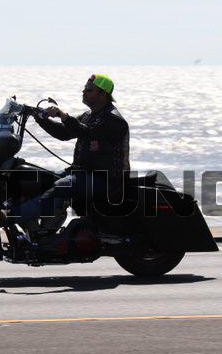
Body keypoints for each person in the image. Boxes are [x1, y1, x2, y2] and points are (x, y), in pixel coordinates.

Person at [10, 74, 131, 236]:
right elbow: (63, 133)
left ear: (103, 94)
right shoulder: (89, 115)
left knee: (63, 186)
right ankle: (39, 231)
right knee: (41, 178)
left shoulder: (114, 120)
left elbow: (87, 132)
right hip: (82, 173)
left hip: (107, 180)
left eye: (89, 90)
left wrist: (63, 116)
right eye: (84, 89)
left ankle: (13, 216)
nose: (83, 92)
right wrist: (38, 117)